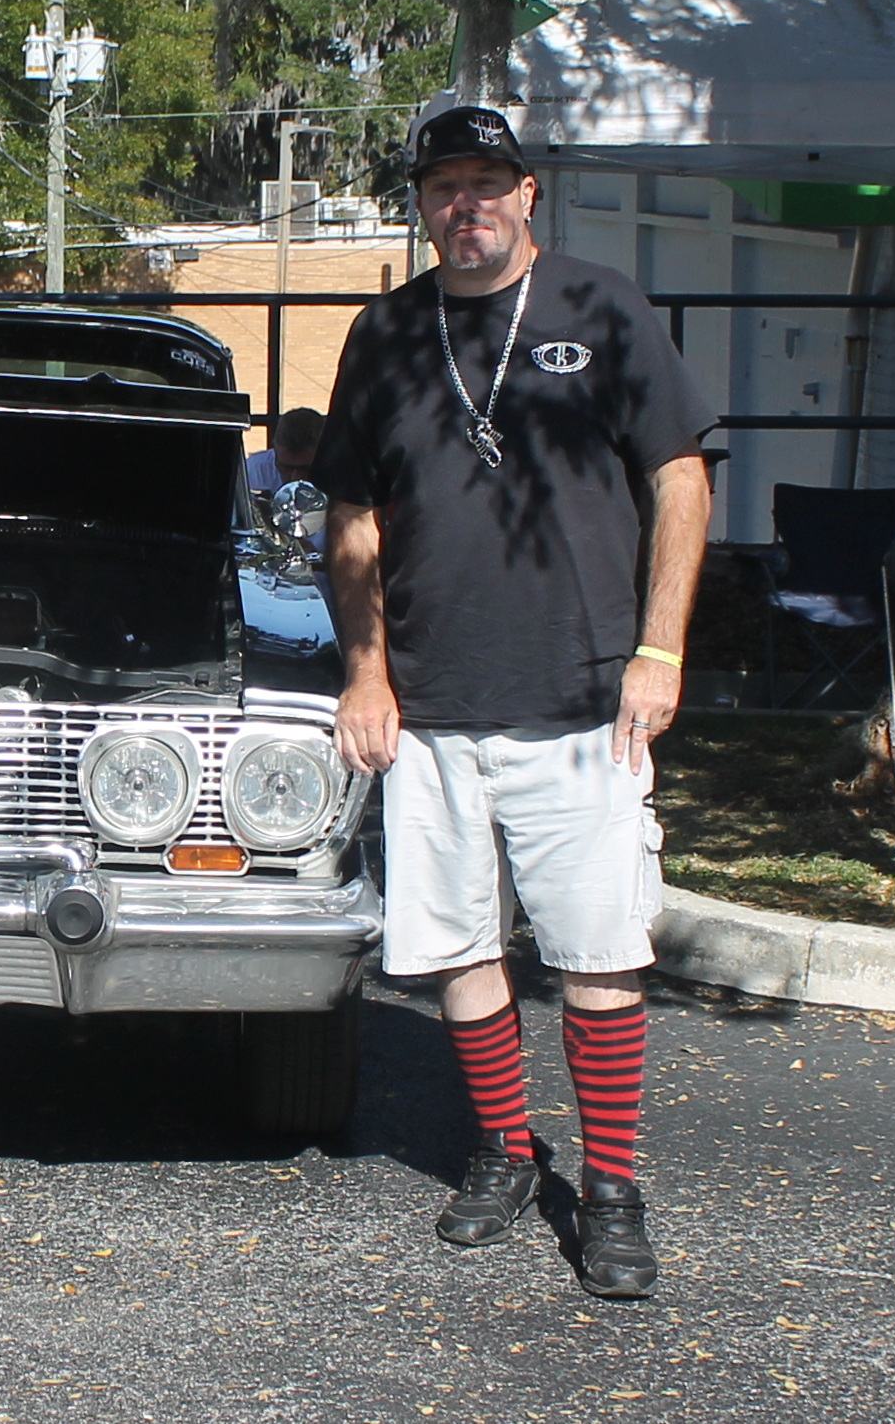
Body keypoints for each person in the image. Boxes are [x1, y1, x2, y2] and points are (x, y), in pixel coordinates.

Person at [311, 105, 714, 1301]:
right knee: (456, 949)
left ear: (527, 192)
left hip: (583, 699)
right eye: (443, 186)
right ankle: (502, 1147)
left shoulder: (601, 306)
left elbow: (678, 478)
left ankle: (611, 1190)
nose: (465, 205)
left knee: (597, 953)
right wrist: (364, 671)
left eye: (486, 182)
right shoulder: (385, 332)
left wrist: (658, 648)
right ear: (421, 203)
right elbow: (351, 514)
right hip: (429, 705)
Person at [246, 406, 325, 493]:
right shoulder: (252, 472)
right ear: (275, 450)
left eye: (305, 469)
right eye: (286, 468)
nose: (295, 478)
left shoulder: (254, 471)